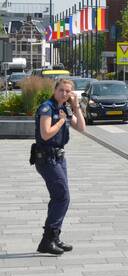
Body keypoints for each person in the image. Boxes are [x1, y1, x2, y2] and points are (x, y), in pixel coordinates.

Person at [33, 78, 85, 255]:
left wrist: (76, 107)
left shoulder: (65, 108)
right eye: (61, 90)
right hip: (47, 158)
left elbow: (81, 127)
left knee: (59, 197)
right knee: (62, 196)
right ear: (55, 90)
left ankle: (53, 238)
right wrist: (62, 121)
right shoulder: (47, 108)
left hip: (59, 158)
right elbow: (45, 134)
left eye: (68, 91)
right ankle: (48, 240)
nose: (64, 93)